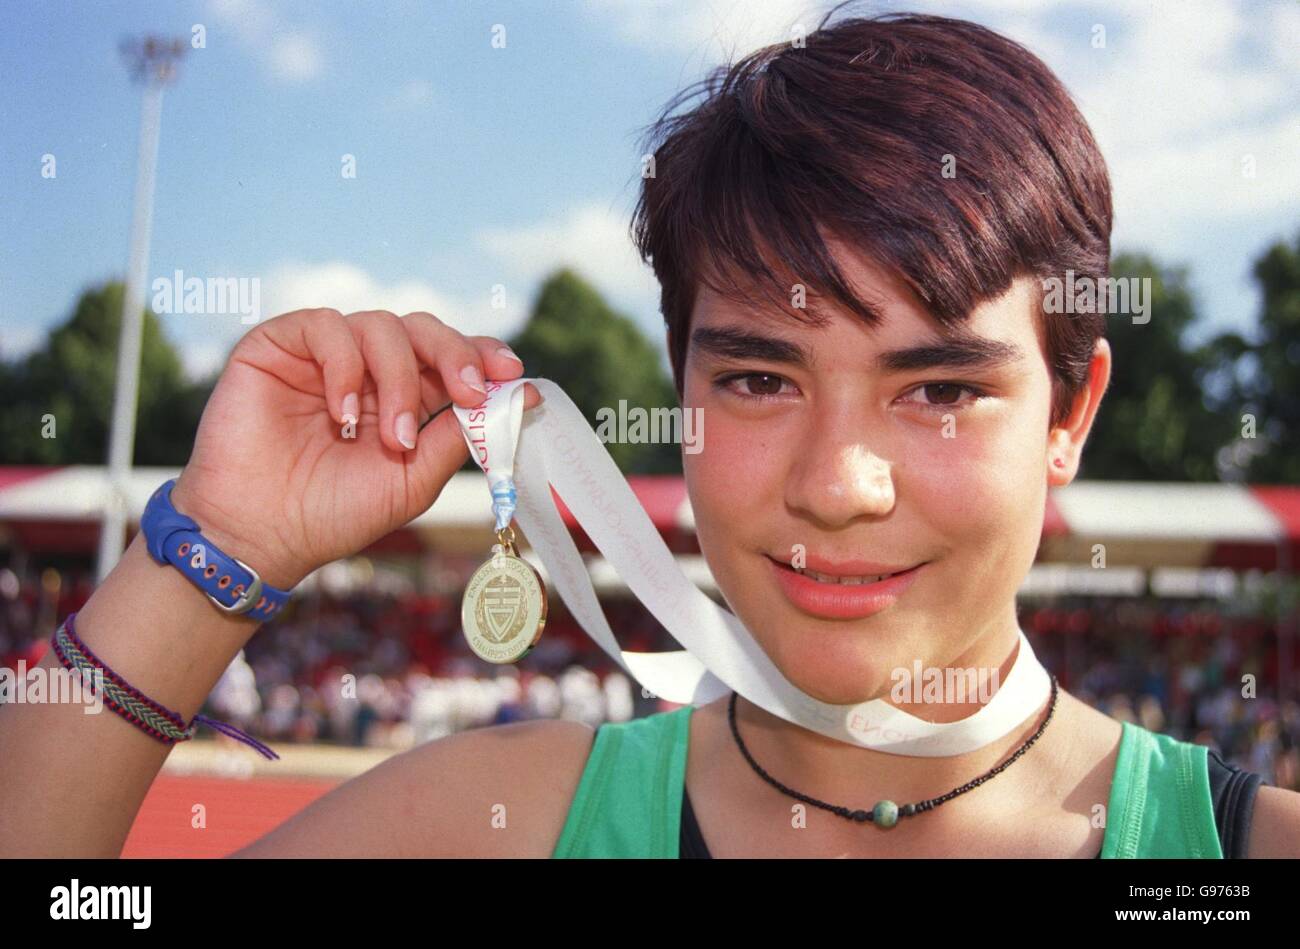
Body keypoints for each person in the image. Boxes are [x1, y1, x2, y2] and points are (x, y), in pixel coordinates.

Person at [3, 6, 1299, 859]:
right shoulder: (482, 826)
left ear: (1072, 411)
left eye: (941, 389)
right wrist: (211, 549)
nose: (838, 486)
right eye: (759, 381)